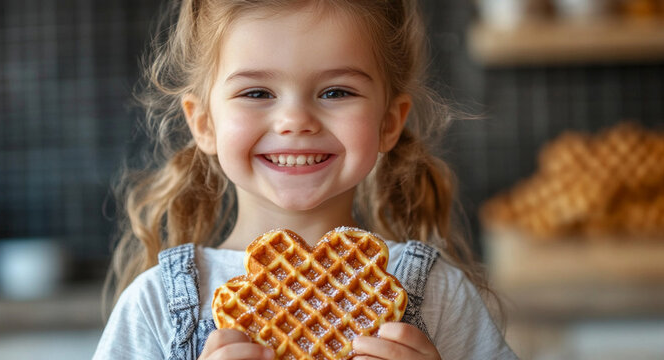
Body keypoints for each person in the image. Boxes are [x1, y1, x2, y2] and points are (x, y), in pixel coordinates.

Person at [93, 0, 517, 359]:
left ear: (389, 122)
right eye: (257, 93)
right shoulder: (155, 304)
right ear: (204, 123)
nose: (295, 121)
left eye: (336, 92)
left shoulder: (439, 294)